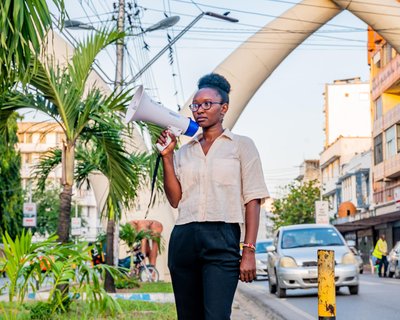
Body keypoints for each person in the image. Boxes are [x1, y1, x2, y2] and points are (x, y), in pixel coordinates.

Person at [157, 73, 269, 320]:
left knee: (217, 316)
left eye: (208, 104)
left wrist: (248, 250)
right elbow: (175, 199)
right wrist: (167, 156)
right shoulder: (184, 152)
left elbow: (253, 199)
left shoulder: (241, 146)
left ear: (224, 108)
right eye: (196, 105)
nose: (200, 110)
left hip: (223, 238)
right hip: (184, 237)